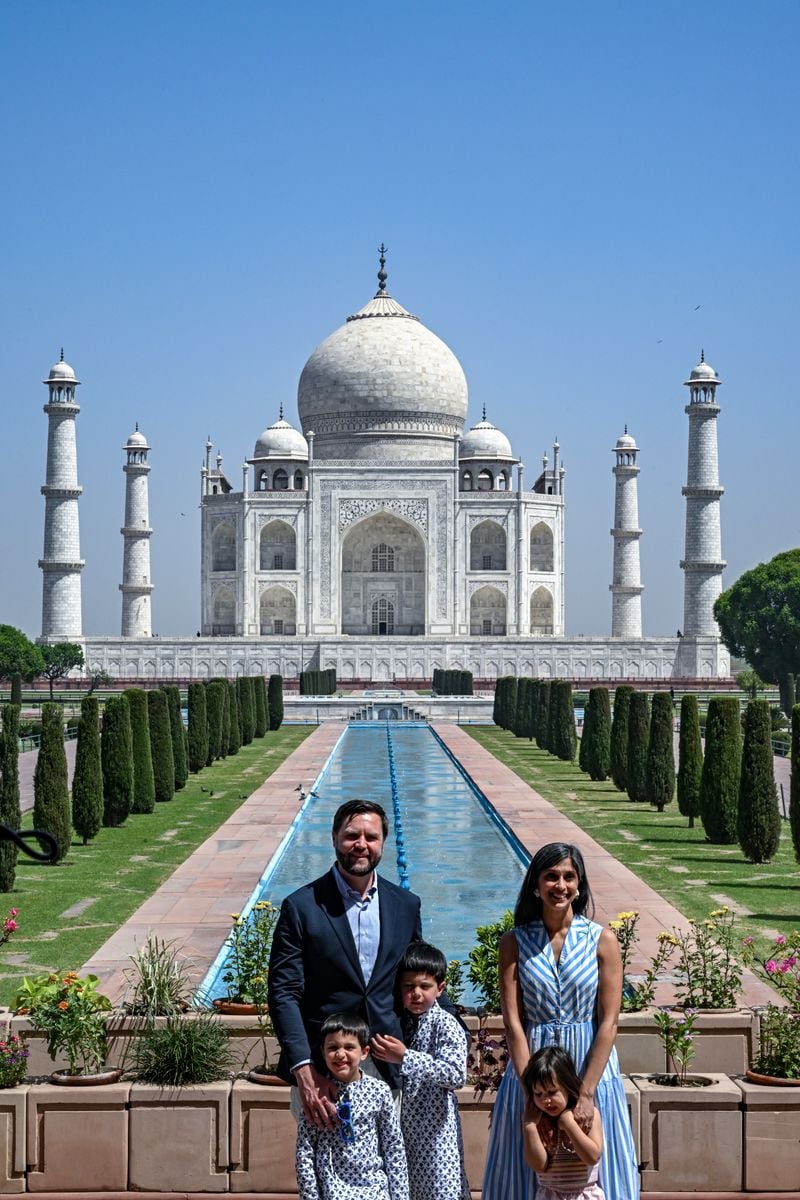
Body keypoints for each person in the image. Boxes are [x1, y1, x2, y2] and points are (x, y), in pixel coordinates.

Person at [482, 842, 639, 1200]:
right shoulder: (514, 942)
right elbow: (513, 1024)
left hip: (589, 1066)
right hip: (532, 1069)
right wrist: (529, 1092)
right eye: (551, 876)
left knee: (598, 1162)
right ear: (536, 885)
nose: (561, 885)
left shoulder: (603, 941)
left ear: (580, 885)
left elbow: (609, 1022)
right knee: (523, 1166)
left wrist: (585, 1092)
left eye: (569, 877)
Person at [268, 799, 422, 1125]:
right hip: (322, 1071)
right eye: (352, 835)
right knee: (322, 1171)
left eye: (371, 837)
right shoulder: (302, 907)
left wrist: (452, 1035)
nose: (361, 845)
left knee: (388, 1171)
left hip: (385, 1068)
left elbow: (418, 978)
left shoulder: (405, 905)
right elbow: (284, 993)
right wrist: (305, 1072)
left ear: (383, 842)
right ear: (335, 837)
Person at [372, 942, 471, 1200]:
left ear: (440, 989)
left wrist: (405, 1056)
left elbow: (455, 1075)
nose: (416, 994)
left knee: (443, 1191)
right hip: (410, 1136)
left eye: (424, 986)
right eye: (409, 987)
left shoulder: (446, 1024)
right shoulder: (404, 1022)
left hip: (438, 1135)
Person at [295, 1011, 409, 1200]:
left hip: (374, 1191)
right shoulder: (317, 1096)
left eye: (349, 1047)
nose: (340, 1054)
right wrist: (310, 1196)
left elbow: (393, 1147)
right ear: (322, 1051)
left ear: (364, 1052)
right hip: (332, 1191)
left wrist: (400, 1196)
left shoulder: (379, 1091)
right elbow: (305, 1152)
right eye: (332, 1047)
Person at [522, 1046, 605, 1200]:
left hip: (584, 1195)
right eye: (538, 1094)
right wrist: (530, 1128)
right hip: (549, 1195)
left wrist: (570, 1125)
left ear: (567, 1085)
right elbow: (538, 1165)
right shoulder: (539, 1122)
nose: (545, 1100)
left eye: (552, 1092)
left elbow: (592, 1156)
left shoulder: (587, 1116)